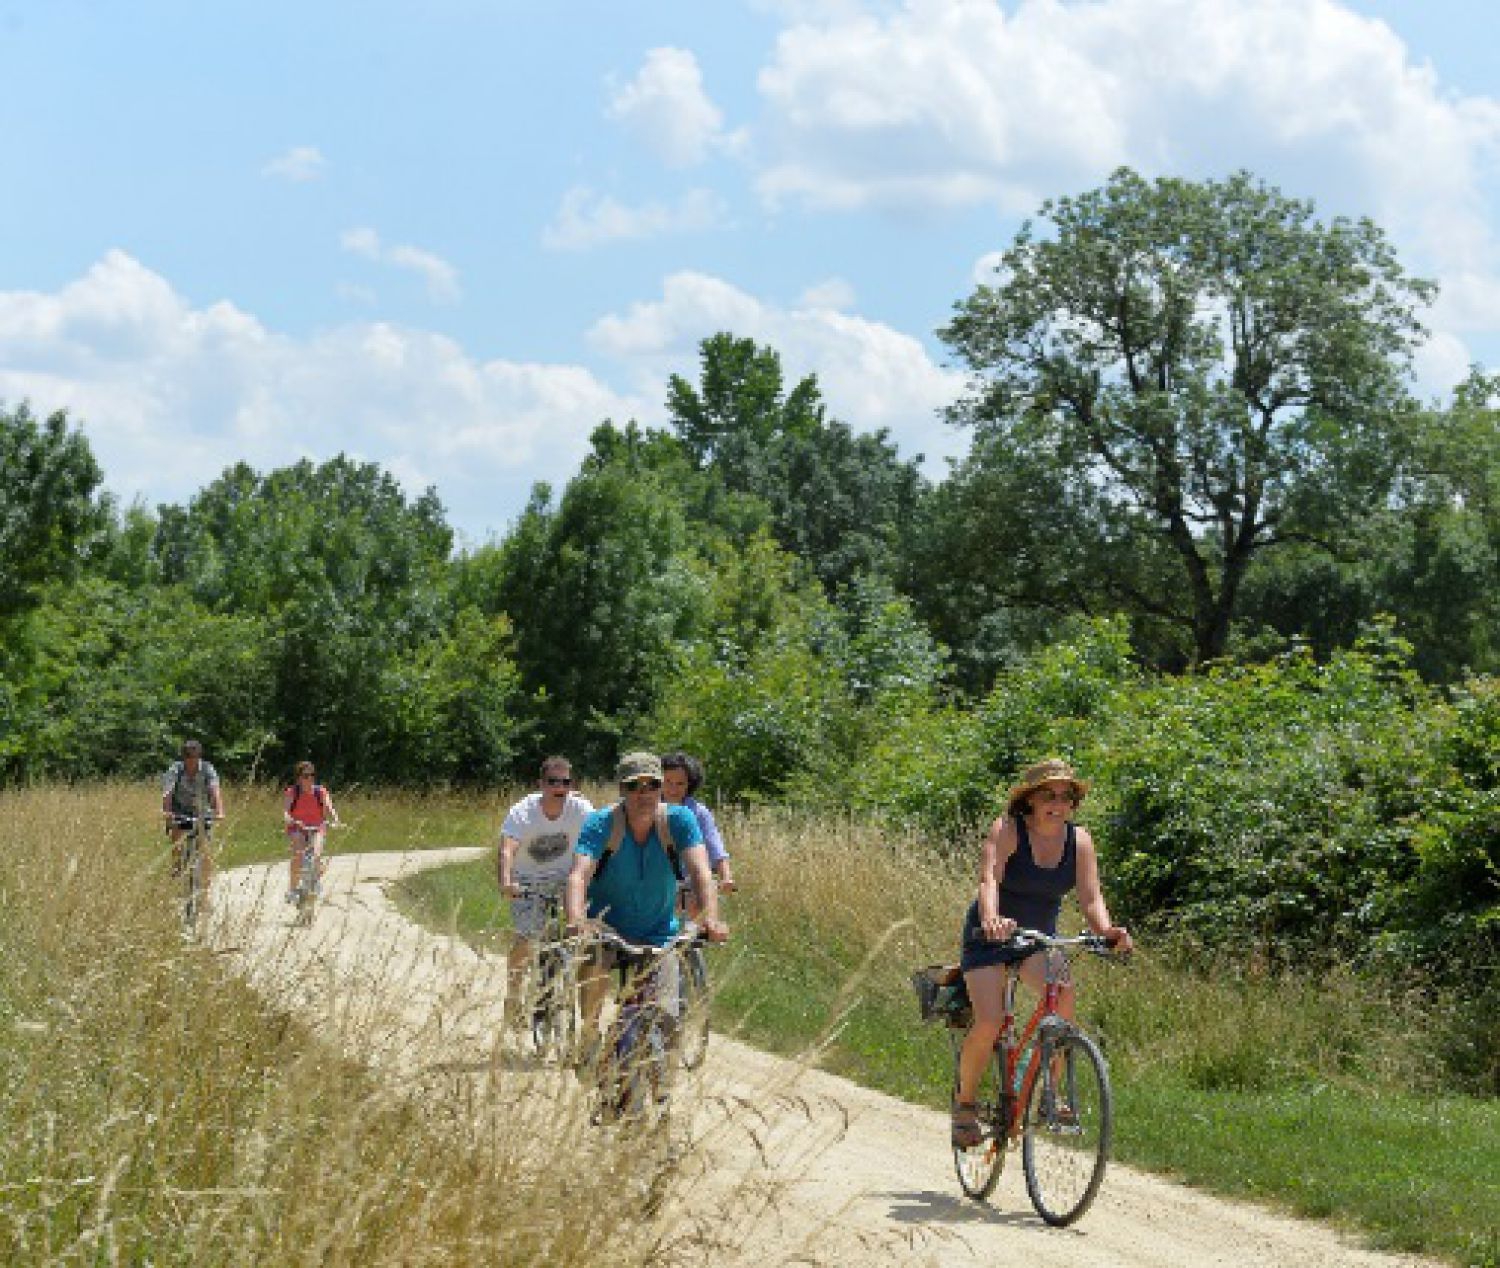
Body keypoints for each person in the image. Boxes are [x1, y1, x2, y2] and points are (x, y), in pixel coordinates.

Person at [951, 757, 1132, 1148]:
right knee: (990, 1020)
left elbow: (1090, 896)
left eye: (1066, 796)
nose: (1058, 803)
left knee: (1063, 998)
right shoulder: (1009, 830)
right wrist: (992, 918)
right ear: (1030, 799)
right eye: (1049, 795)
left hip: (1037, 938)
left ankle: (1048, 1092)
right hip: (991, 934)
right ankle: (964, 1104)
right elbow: (989, 879)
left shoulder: (1079, 840)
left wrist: (1106, 930)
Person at [564, 751, 728, 1062]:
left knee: (668, 1019)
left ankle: (660, 1093)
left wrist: (711, 919)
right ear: (622, 790)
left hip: (659, 933)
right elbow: (579, 874)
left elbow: (701, 872)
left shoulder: (678, 820)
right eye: (634, 786)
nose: (644, 794)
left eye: (652, 785)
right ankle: (588, 1037)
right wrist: (576, 919)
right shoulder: (602, 823)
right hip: (607, 928)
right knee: (595, 967)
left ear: (661, 788)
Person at [498, 756, 594, 1033]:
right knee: (527, 939)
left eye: (565, 782)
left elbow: (601, 836)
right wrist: (507, 882)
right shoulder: (523, 812)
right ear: (541, 784)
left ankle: (568, 995)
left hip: (567, 880)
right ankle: (514, 994)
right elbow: (507, 850)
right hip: (527, 880)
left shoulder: (581, 808)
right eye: (553, 781)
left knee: (581, 934)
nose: (559, 787)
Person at [660, 751, 736, 902]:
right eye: (668, 782)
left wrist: (726, 877)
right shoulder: (646, 807)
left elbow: (716, 849)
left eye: (680, 783)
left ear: (690, 784)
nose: (673, 789)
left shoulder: (699, 813)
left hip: (687, 885)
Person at [162, 739, 227, 889]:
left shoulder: (207, 768)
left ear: (199, 756)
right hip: (180, 810)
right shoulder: (176, 769)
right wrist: (167, 811)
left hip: (203, 811)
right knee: (176, 833)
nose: (191, 760)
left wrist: (220, 811)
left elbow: (215, 790)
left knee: (205, 849)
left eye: (194, 756)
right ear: (183, 757)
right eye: (187, 757)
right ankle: (177, 865)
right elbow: (168, 791)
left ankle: (206, 886)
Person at [283, 761, 341, 904]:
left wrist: (336, 819)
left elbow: (329, 806)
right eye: (305, 776)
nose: (309, 779)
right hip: (298, 827)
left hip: (317, 827)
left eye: (312, 775)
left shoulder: (320, 791)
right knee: (298, 854)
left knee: (317, 855)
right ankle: (292, 889)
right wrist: (292, 821)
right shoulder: (292, 792)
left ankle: (314, 882)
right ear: (299, 778)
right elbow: (286, 812)